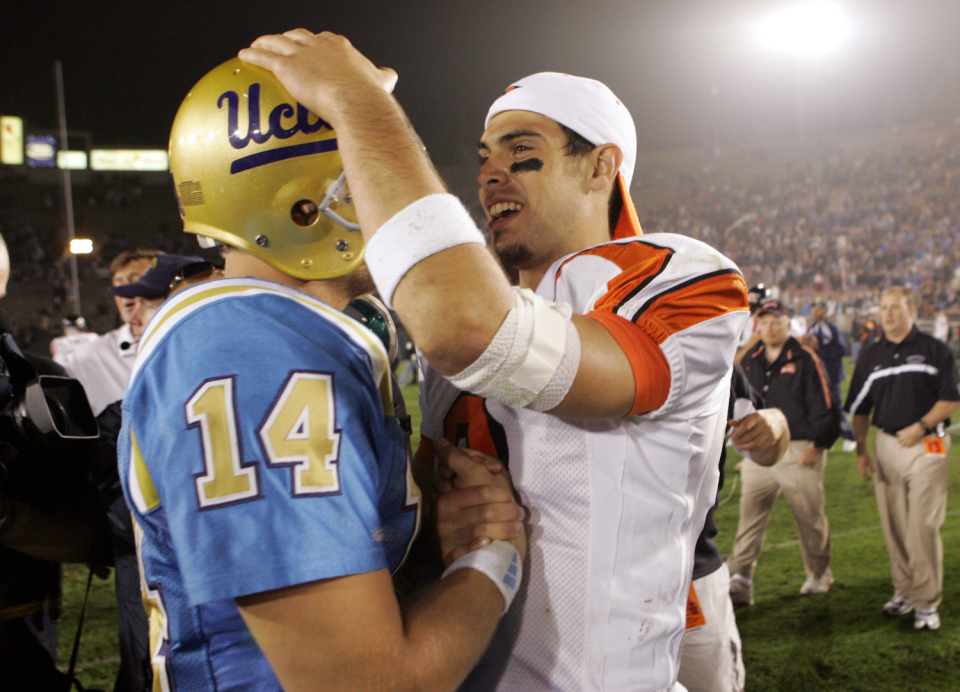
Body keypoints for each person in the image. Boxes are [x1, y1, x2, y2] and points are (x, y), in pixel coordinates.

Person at [241, 31, 748, 690]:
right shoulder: (479, 300)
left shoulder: (679, 274)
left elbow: (475, 331)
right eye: (484, 157)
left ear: (600, 168)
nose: (489, 173)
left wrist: (356, 102)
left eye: (523, 153)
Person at [124, 57, 527, 692]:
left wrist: (420, 494)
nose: (397, 190)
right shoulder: (251, 347)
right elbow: (366, 684)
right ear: (307, 208)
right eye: (369, 167)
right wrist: (492, 560)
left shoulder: (285, 332)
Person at [845, 286, 960, 631]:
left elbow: (951, 398)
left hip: (929, 445)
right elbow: (860, 408)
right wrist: (863, 449)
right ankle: (905, 592)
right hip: (887, 447)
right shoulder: (870, 355)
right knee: (894, 525)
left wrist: (921, 426)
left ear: (911, 310)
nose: (889, 314)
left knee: (922, 527)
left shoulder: (935, 349)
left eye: (896, 308)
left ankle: (926, 602)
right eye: (884, 308)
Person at [678, 365, 790, 692]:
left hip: (690, 575)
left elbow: (766, 451)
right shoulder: (569, 340)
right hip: (580, 582)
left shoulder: (714, 355)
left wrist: (776, 423)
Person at [728, 299, 840, 604]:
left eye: (776, 322)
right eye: (764, 323)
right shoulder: (752, 357)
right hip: (760, 453)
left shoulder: (804, 357)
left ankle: (819, 574)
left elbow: (826, 402)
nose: (769, 328)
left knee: (809, 517)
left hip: (798, 449)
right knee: (750, 517)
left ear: (788, 324)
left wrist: (817, 445)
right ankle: (741, 577)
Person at [53, 249, 162, 416]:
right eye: (118, 283)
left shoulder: (193, 343)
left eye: (135, 280)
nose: (124, 290)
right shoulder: (89, 355)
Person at [806, 300, 856, 451]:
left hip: (831, 374)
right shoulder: (811, 328)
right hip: (816, 375)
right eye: (814, 308)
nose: (815, 311)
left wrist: (820, 350)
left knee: (835, 407)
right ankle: (828, 439)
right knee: (820, 408)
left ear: (825, 311)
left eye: (819, 308)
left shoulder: (831, 328)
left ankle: (849, 436)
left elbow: (841, 349)